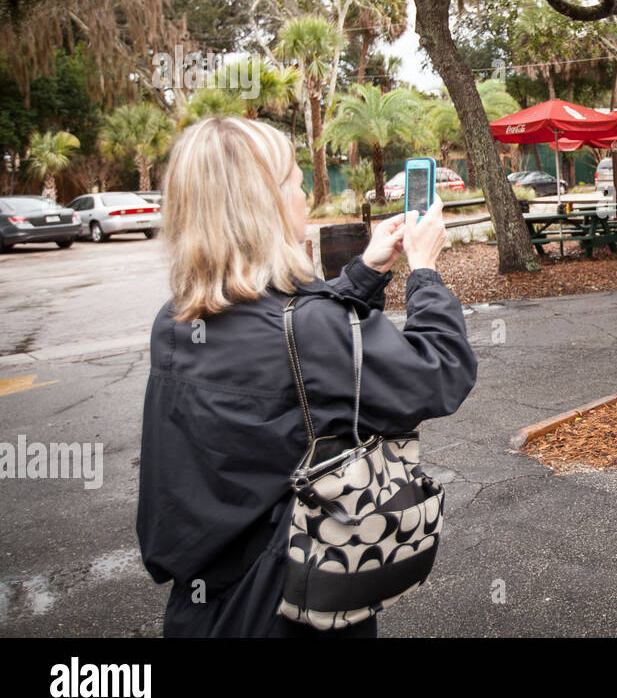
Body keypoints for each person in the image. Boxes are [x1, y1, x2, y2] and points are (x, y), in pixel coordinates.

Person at [136, 117, 477, 637]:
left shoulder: (177, 319)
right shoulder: (312, 330)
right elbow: (440, 372)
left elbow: (293, 345)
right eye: (295, 180)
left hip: (203, 607)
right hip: (294, 600)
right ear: (264, 204)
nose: (306, 193)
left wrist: (364, 271)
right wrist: (425, 272)